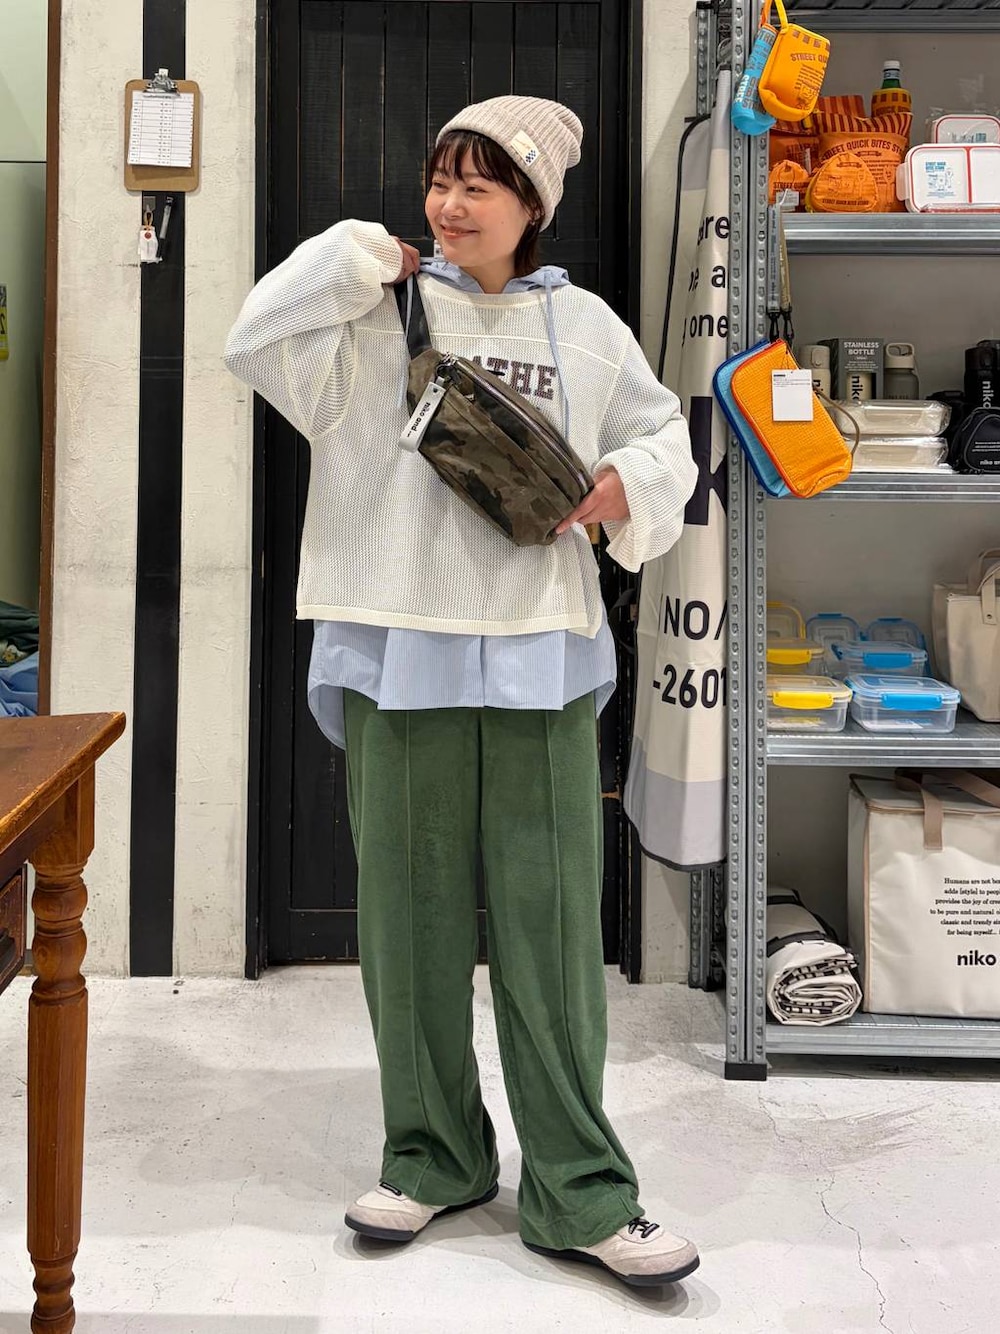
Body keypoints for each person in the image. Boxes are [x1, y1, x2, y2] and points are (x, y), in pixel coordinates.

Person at [225, 95, 700, 1289]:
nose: (450, 203)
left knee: (551, 928)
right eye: (440, 178)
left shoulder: (582, 324)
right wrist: (353, 253)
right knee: (407, 919)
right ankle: (432, 1154)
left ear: (532, 205)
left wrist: (619, 484)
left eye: (480, 184)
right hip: (400, 646)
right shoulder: (369, 313)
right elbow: (251, 336)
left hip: (539, 650)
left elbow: (665, 439)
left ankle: (580, 1188)